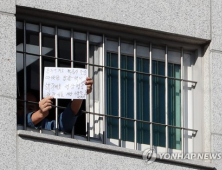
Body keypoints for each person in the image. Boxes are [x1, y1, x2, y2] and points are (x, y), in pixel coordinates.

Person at [17, 77, 93, 133]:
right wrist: (40, 113)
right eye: (20, 107)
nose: (25, 111)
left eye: (30, 108)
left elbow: (64, 124)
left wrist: (80, 94)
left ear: (37, 108)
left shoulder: (43, 125)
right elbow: (21, 122)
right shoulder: (13, 121)